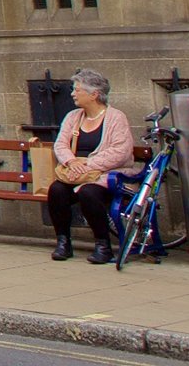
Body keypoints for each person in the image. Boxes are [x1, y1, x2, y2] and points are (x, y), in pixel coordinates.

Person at [47, 68, 133, 263]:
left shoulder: (116, 118)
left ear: (94, 94)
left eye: (77, 90)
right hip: (75, 173)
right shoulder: (73, 117)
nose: (72, 94)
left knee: (88, 193)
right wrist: (71, 161)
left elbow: (121, 151)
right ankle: (63, 242)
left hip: (107, 175)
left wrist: (88, 164)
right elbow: (60, 144)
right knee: (57, 190)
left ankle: (103, 246)